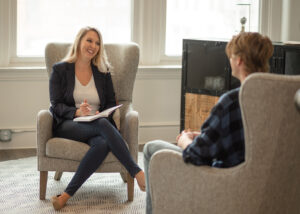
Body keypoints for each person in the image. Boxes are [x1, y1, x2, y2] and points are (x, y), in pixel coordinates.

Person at [143, 32, 274, 214]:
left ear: (240, 61)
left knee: (150, 148)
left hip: (223, 182)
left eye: (231, 55)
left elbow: (196, 155)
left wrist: (184, 140)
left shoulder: (231, 101)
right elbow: (245, 138)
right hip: (263, 184)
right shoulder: (278, 100)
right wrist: (204, 135)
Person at [49, 26, 145, 211]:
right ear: (79, 41)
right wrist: (77, 112)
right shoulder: (60, 69)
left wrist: (102, 113)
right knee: (101, 124)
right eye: (89, 40)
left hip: (96, 123)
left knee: (101, 143)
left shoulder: (103, 71)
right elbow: (56, 104)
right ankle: (136, 171)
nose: (93, 45)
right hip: (69, 124)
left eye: (97, 43)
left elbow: (109, 102)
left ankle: (65, 196)